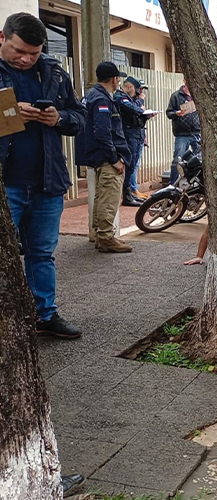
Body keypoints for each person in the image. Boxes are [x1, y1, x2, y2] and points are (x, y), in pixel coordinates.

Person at [0, 12, 86, 339]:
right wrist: (8, 112)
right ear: (2, 38)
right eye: (19, 51)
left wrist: (58, 118)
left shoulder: (53, 72)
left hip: (47, 182)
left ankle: (44, 314)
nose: (26, 59)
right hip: (6, 182)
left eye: (33, 53)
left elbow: (79, 116)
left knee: (42, 252)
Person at [83, 61, 133, 253]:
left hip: (99, 155)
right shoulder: (102, 100)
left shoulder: (93, 96)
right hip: (107, 157)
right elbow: (103, 132)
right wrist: (114, 159)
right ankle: (105, 236)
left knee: (102, 196)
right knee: (109, 197)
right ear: (114, 79)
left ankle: (100, 234)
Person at [114, 76, 156, 206]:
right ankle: (126, 196)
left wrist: (146, 115)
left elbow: (137, 115)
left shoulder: (131, 99)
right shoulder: (121, 97)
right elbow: (134, 109)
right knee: (130, 165)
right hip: (129, 135)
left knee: (132, 166)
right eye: (138, 91)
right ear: (130, 87)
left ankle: (130, 193)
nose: (140, 94)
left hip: (137, 134)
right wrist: (140, 103)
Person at [166, 80, 201, 184]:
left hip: (196, 132)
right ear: (184, 81)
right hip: (182, 134)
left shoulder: (197, 95)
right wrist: (176, 113)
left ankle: (196, 184)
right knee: (178, 159)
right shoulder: (176, 96)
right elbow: (169, 113)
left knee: (199, 159)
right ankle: (173, 184)